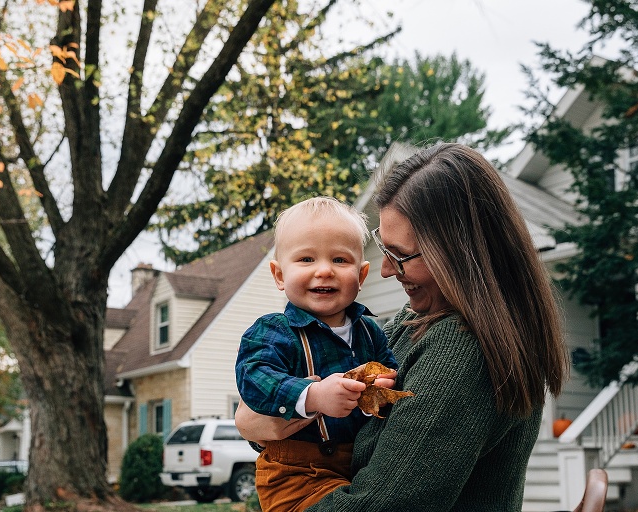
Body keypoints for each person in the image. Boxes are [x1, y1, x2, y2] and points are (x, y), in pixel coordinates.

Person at [235, 143, 569, 511]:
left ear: (457, 252)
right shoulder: (412, 324)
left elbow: (383, 505)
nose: (385, 270)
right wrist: (263, 421)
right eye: (383, 248)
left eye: (400, 255)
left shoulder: (461, 349)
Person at [235, 196, 398, 512]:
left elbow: (389, 373)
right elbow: (254, 377)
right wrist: (312, 395)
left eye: (339, 260)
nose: (324, 271)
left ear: (361, 276)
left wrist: (376, 391)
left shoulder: (371, 332)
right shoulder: (274, 331)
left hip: (355, 464)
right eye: (307, 259)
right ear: (280, 275)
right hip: (295, 473)